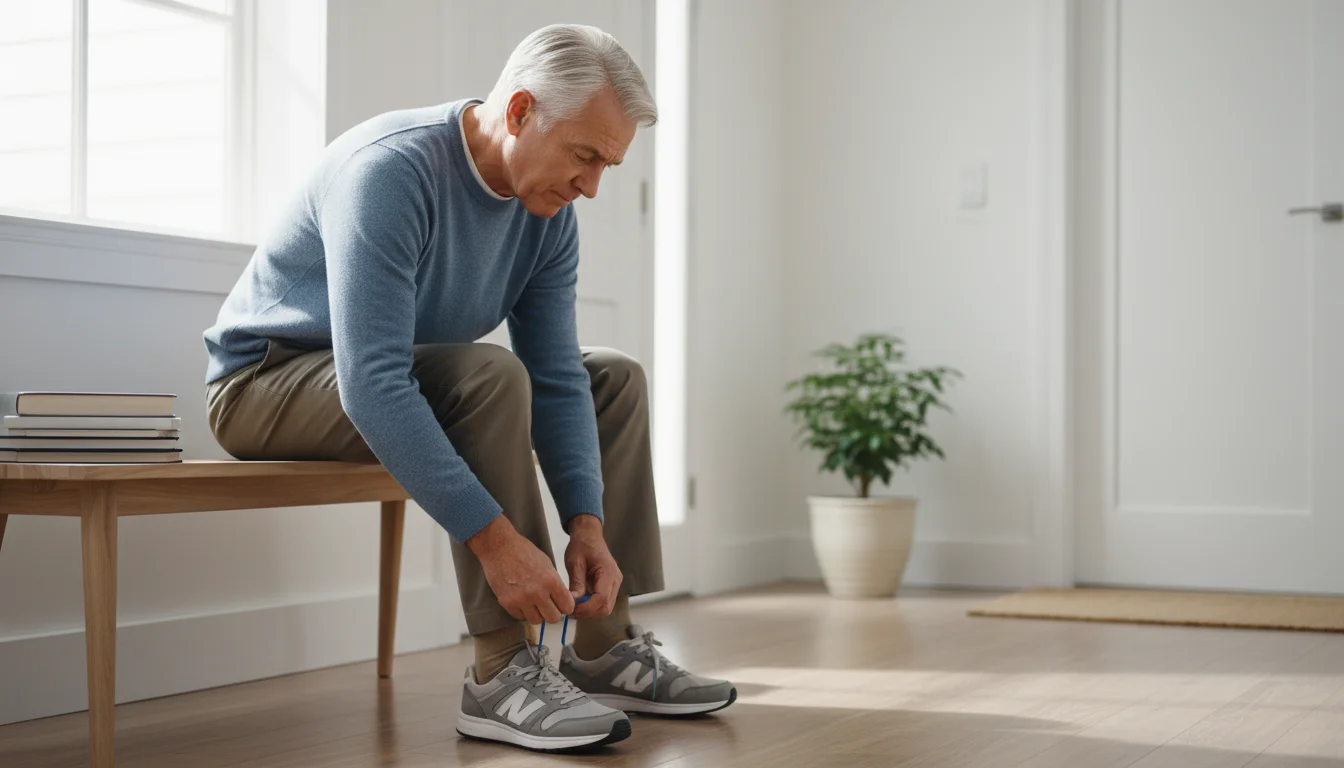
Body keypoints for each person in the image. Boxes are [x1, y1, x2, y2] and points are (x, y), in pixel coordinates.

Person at [201, 23, 734, 752]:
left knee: (609, 375)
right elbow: (373, 382)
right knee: (485, 374)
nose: (592, 186)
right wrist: (496, 541)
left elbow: (556, 373)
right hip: (265, 382)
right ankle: (501, 671)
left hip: (379, 374)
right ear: (518, 112)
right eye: (584, 156)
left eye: (608, 165)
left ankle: (605, 648)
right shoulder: (390, 172)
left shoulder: (548, 217)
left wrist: (587, 523)